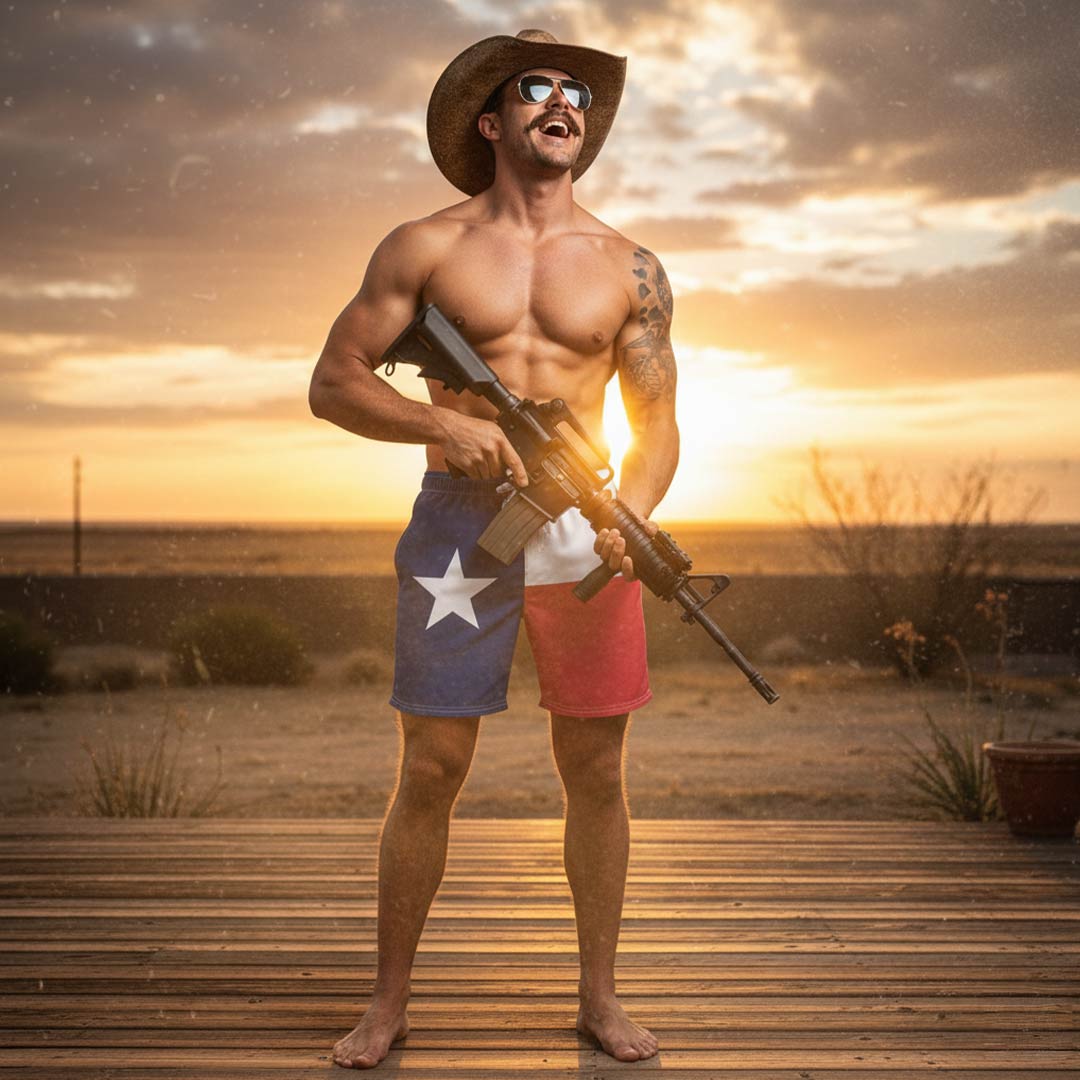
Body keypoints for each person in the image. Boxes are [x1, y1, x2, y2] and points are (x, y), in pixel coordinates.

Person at [309, 28, 678, 1069]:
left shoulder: (632, 266)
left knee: (596, 767)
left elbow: (661, 423)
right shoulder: (423, 248)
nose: (563, 103)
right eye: (537, 89)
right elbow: (335, 381)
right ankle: (388, 1004)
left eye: (577, 94)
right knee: (431, 764)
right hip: (459, 521)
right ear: (492, 119)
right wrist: (441, 425)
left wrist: (631, 516)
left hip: (588, 527)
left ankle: (600, 999)